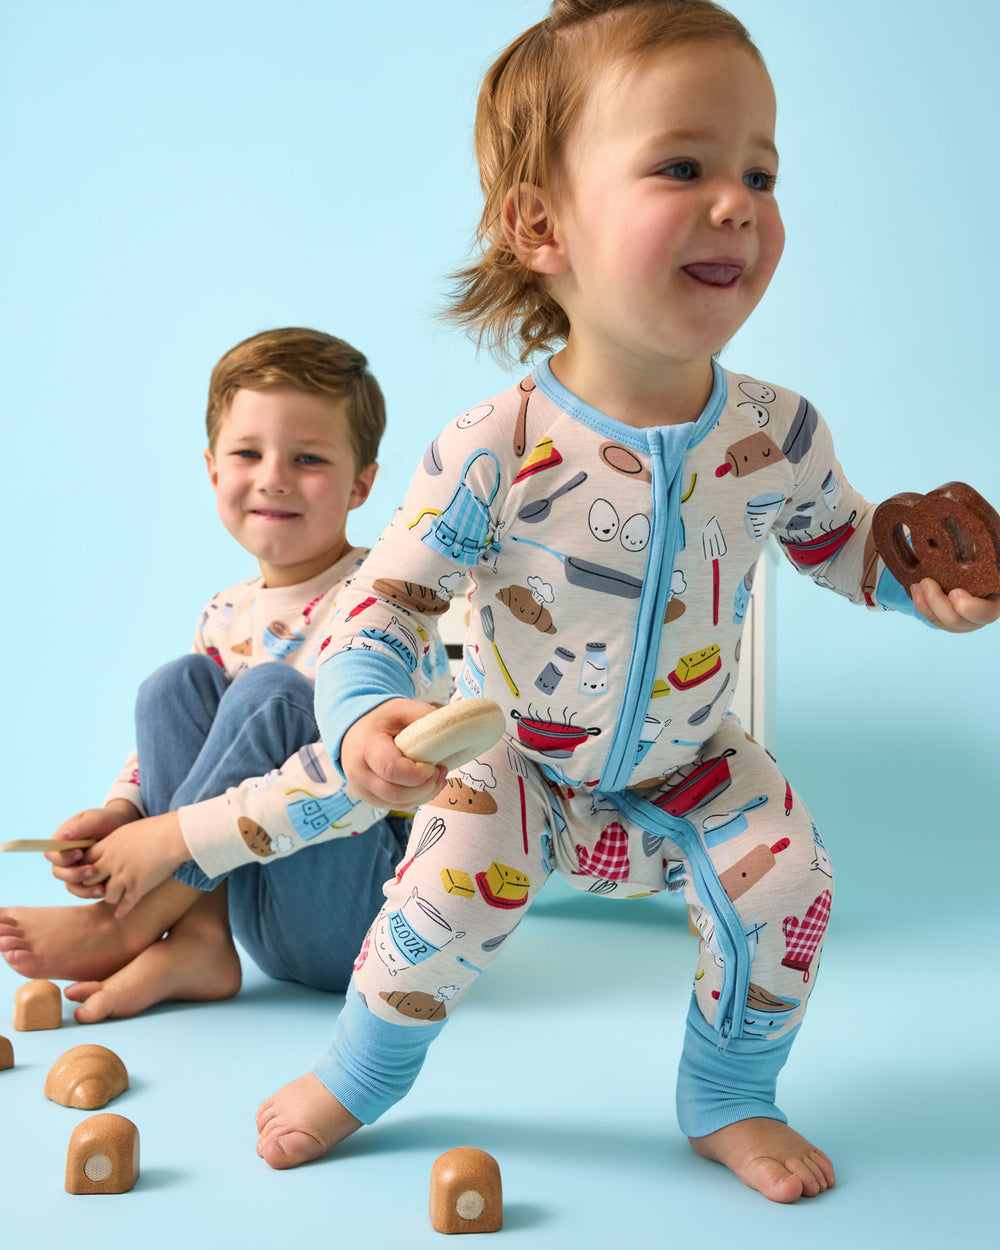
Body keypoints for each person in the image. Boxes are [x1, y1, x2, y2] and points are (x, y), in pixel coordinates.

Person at [253, 0, 1000, 1203]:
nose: (737, 202)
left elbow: (841, 545)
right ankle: (361, 1068)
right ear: (540, 225)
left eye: (760, 169)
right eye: (683, 165)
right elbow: (377, 608)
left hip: (693, 763)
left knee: (789, 874)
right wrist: (361, 717)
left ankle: (729, 1093)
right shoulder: (494, 445)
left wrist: (922, 594)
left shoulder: (775, 431)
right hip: (518, 763)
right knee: (437, 900)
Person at [0, 327, 449, 1023]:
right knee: (174, 685)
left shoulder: (386, 606)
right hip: (257, 911)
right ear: (213, 471)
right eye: (248, 453)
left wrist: (167, 842)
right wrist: (125, 815)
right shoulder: (227, 610)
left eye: (307, 458)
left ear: (362, 483)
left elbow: (363, 785)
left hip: (360, 923)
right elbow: (199, 751)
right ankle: (200, 937)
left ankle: (135, 923)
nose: (272, 476)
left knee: (271, 693)